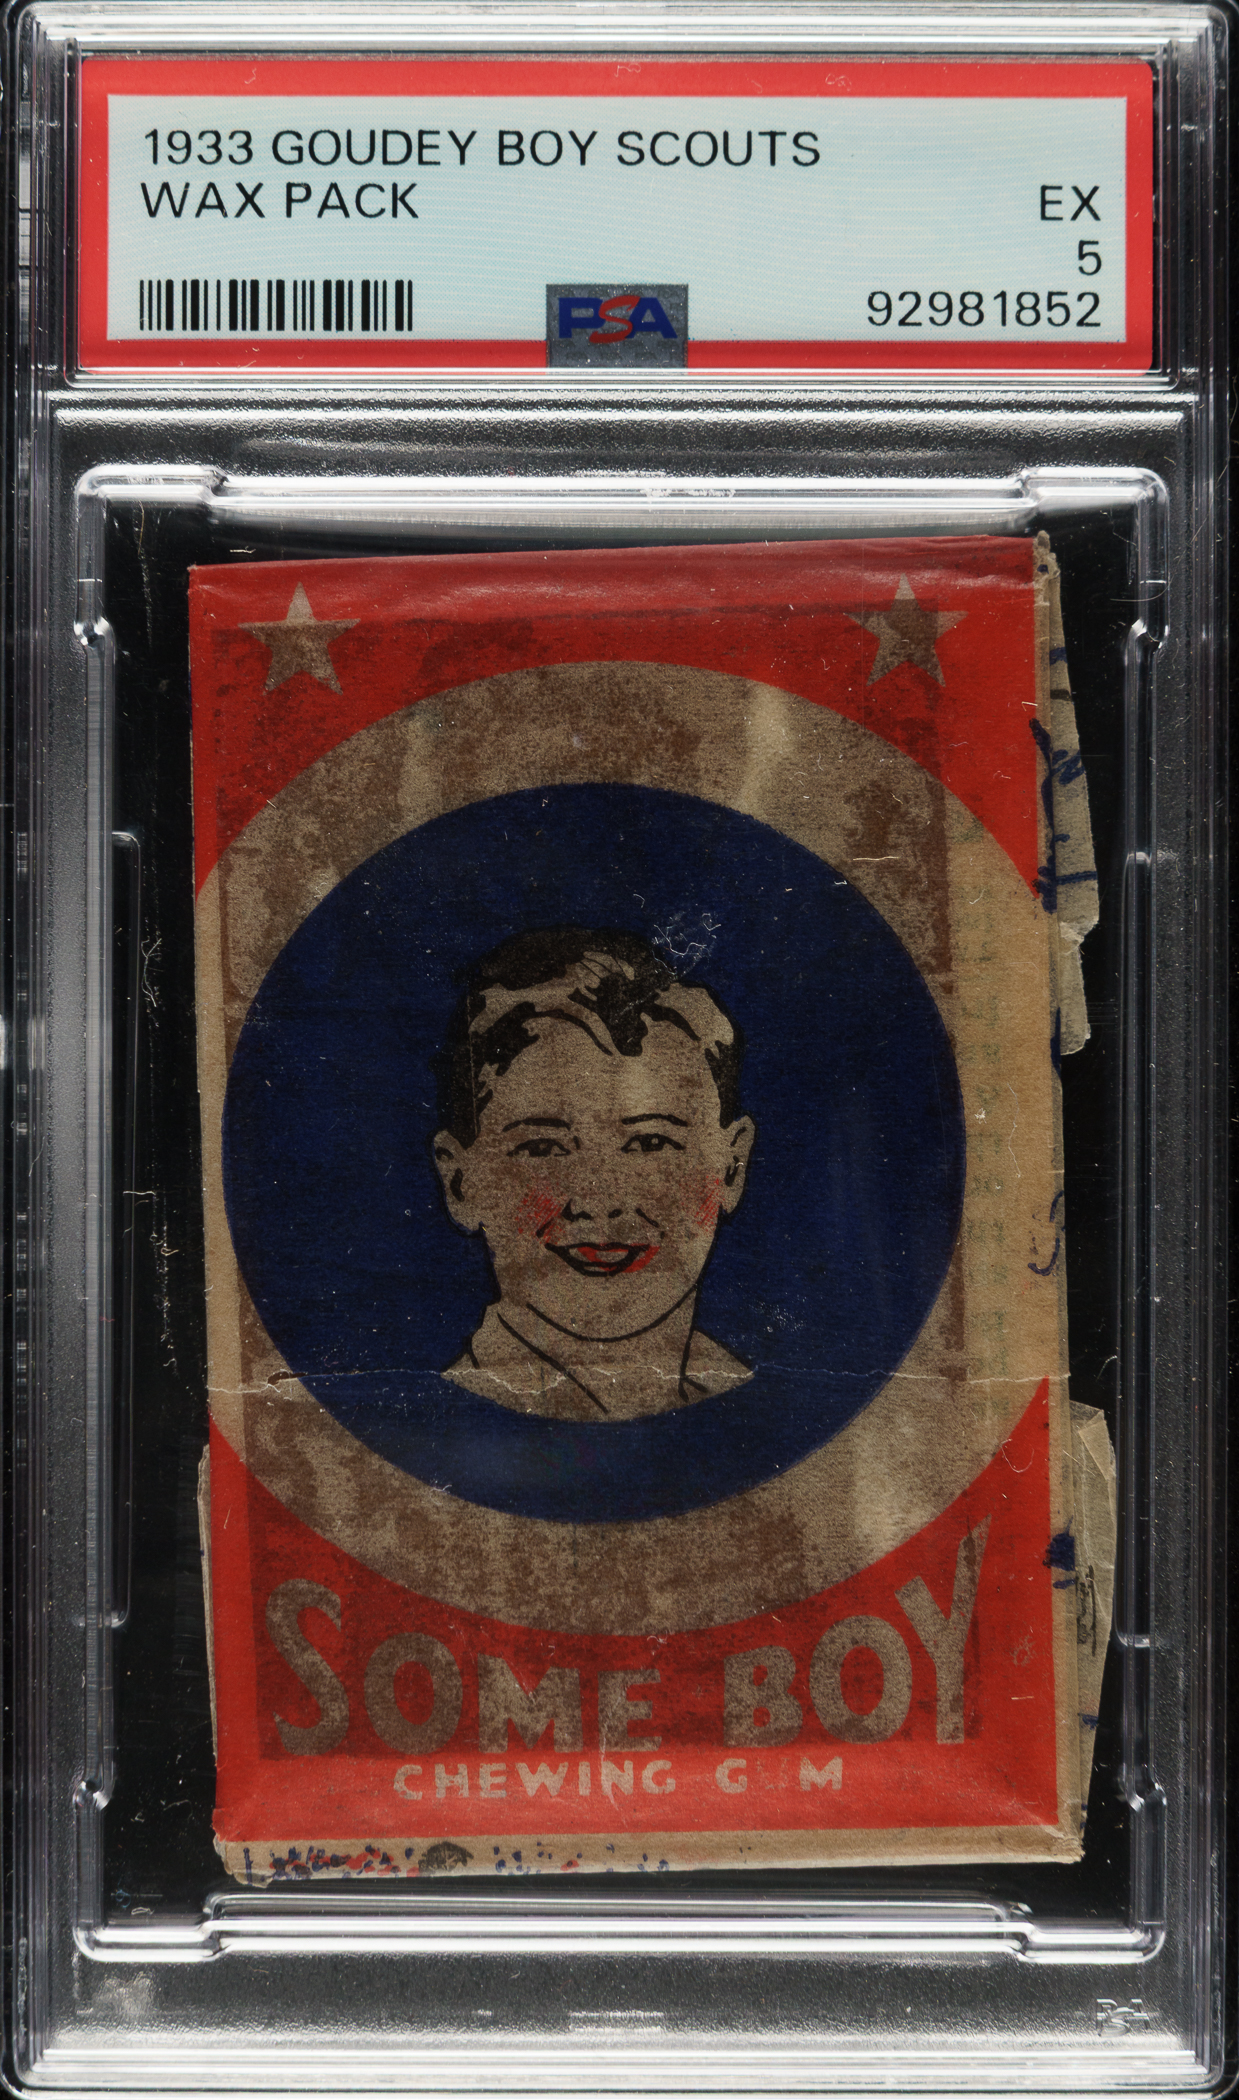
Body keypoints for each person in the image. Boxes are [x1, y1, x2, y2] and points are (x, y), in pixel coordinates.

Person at [433, 927, 756, 1421]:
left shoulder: (758, 1407)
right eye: (543, 1148)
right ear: (461, 1183)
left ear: (730, 1168)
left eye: (651, 1143)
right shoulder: (446, 1418)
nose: (599, 1201)